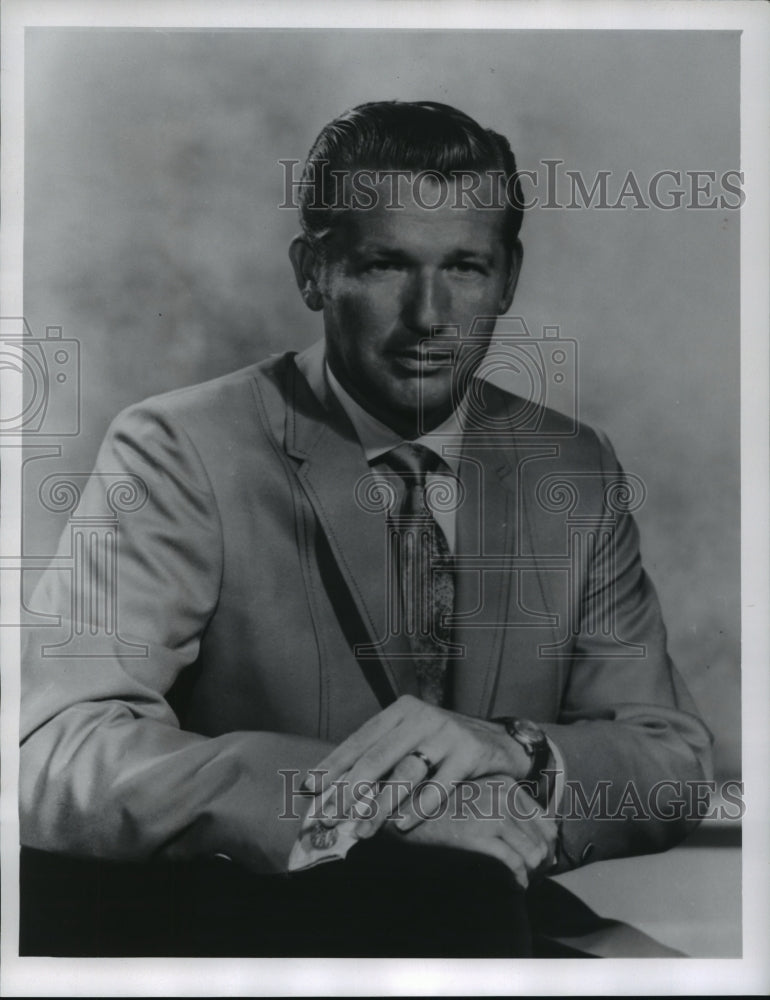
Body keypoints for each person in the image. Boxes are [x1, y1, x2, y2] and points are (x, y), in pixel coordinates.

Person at [19, 101, 712, 957]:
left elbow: (671, 767)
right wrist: (368, 807)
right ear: (314, 272)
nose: (430, 314)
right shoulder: (180, 447)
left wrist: (509, 752)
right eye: (387, 264)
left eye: (465, 266)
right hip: (251, 930)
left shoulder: (572, 466)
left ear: (509, 277)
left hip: (488, 923)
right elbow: (55, 753)